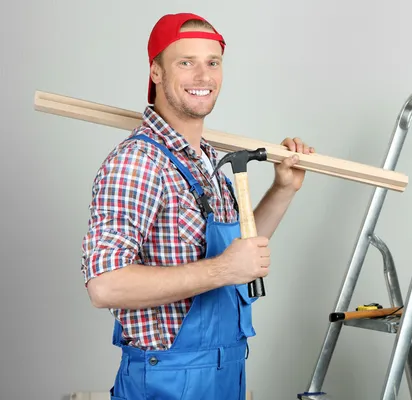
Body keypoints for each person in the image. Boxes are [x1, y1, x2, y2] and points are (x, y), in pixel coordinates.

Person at [80, 12, 315, 400]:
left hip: (226, 370)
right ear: (156, 71)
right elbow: (105, 285)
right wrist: (224, 269)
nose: (203, 77)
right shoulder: (138, 162)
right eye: (185, 62)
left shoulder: (204, 159)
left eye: (213, 62)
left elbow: (241, 249)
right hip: (168, 380)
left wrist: (283, 189)